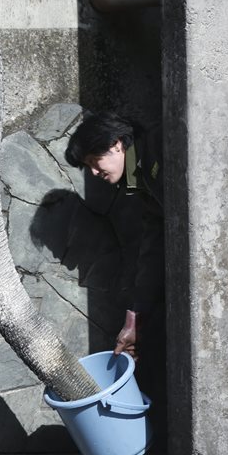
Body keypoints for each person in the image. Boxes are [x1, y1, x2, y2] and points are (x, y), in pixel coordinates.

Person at [63, 111, 164, 360]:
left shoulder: (161, 145)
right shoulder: (141, 183)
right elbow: (154, 251)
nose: (94, 173)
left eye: (93, 161)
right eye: (88, 167)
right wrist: (134, 320)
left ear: (116, 144)